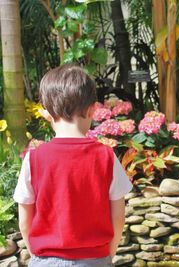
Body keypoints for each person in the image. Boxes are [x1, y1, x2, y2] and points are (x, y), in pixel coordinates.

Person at [13, 64, 133, 267]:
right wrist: (107, 255)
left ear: (47, 114)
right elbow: (118, 216)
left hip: (45, 260)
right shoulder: (106, 156)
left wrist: (38, 256)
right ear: (92, 110)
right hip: (95, 260)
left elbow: (24, 219)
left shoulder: (33, 159)